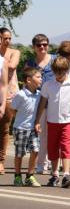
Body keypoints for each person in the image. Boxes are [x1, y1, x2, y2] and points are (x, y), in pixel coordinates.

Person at [34, 56, 70, 188]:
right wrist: (37, 120)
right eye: (56, 72)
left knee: (65, 147)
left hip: (67, 122)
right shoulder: (48, 85)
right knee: (53, 147)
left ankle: (66, 174)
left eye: (61, 72)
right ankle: (55, 174)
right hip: (52, 121)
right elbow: (43, 103)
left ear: (67, 70)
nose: (58, 75)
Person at [26, 34, 55, 174]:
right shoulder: (30, 63)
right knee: (41, 134)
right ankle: (41, 164)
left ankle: (52, 162)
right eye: (39, 45)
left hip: (55, 102)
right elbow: (26, 84)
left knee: (54, 134)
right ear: (34, 47)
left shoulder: (55, 60)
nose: (42, 47)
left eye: (45, 44)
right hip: (37, 103)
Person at [10, 67, 42, 187]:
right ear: (29, 80)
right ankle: (17, 176)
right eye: (38, 77)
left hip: (33, 128)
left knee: (35, 150)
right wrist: (17, 123)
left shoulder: (39, 94)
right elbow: (13, 109)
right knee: (20, 153)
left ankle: (30, 176)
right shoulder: (21, 95)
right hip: (20, 128)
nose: (41, 79)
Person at [0, 27, 20, 175]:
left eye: (9, 38)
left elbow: (12, 65)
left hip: (9, 95)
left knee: (5, 129)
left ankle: (1, 161)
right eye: (4, 38)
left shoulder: (14, 52)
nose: (7, 41)